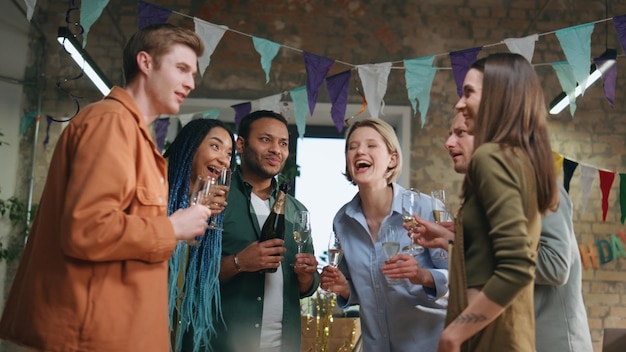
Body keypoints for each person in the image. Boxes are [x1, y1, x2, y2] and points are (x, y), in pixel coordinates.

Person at [0, 24, 211, 351]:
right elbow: (88, 229)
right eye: (181, 68)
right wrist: (172, 227)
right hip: (93, 337)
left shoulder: (136, 135)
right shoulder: (112, 123)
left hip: (120, 332)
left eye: (193, 74)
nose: (190, 83)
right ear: (146, 62)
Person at [415, 112, 592, 352]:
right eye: (449, 134)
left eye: (460, 133)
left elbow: (555, 267)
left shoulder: (538, 186)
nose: (448, 143)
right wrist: (455, 242)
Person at [437, 53, 559, 352]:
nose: (459, 104)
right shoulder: (518, 158)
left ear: (497, 96)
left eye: (469, 93)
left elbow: (518, 265)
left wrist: (454, 334)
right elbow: (490, 256)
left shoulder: (489, 157)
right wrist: (452, 239)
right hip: (510, 334)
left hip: (488, 338)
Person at [319, 117, 449, 352]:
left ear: (392, 159)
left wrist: (423, 276)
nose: (360, 151)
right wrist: (343, 287)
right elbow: (368, 290)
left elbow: (463, 276)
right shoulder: (342, 221)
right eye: (352, 146)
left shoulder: (426, 209)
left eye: (371, 145)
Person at [209, 110, 319, 352]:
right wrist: (239, 262)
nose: (276, 150)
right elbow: (187, 274)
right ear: (241, 144)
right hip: (222, 343)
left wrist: (306, 276)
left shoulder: (296, 210)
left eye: (283, 143)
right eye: (265, 140)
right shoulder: (215, 198)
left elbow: (306, 288)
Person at [163, 118, 236, 351]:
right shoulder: (156, 185)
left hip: (173, 325)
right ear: (191, 145)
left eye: (229, 153)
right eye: (215, 146)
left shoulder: (206, 203)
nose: (223, 159)